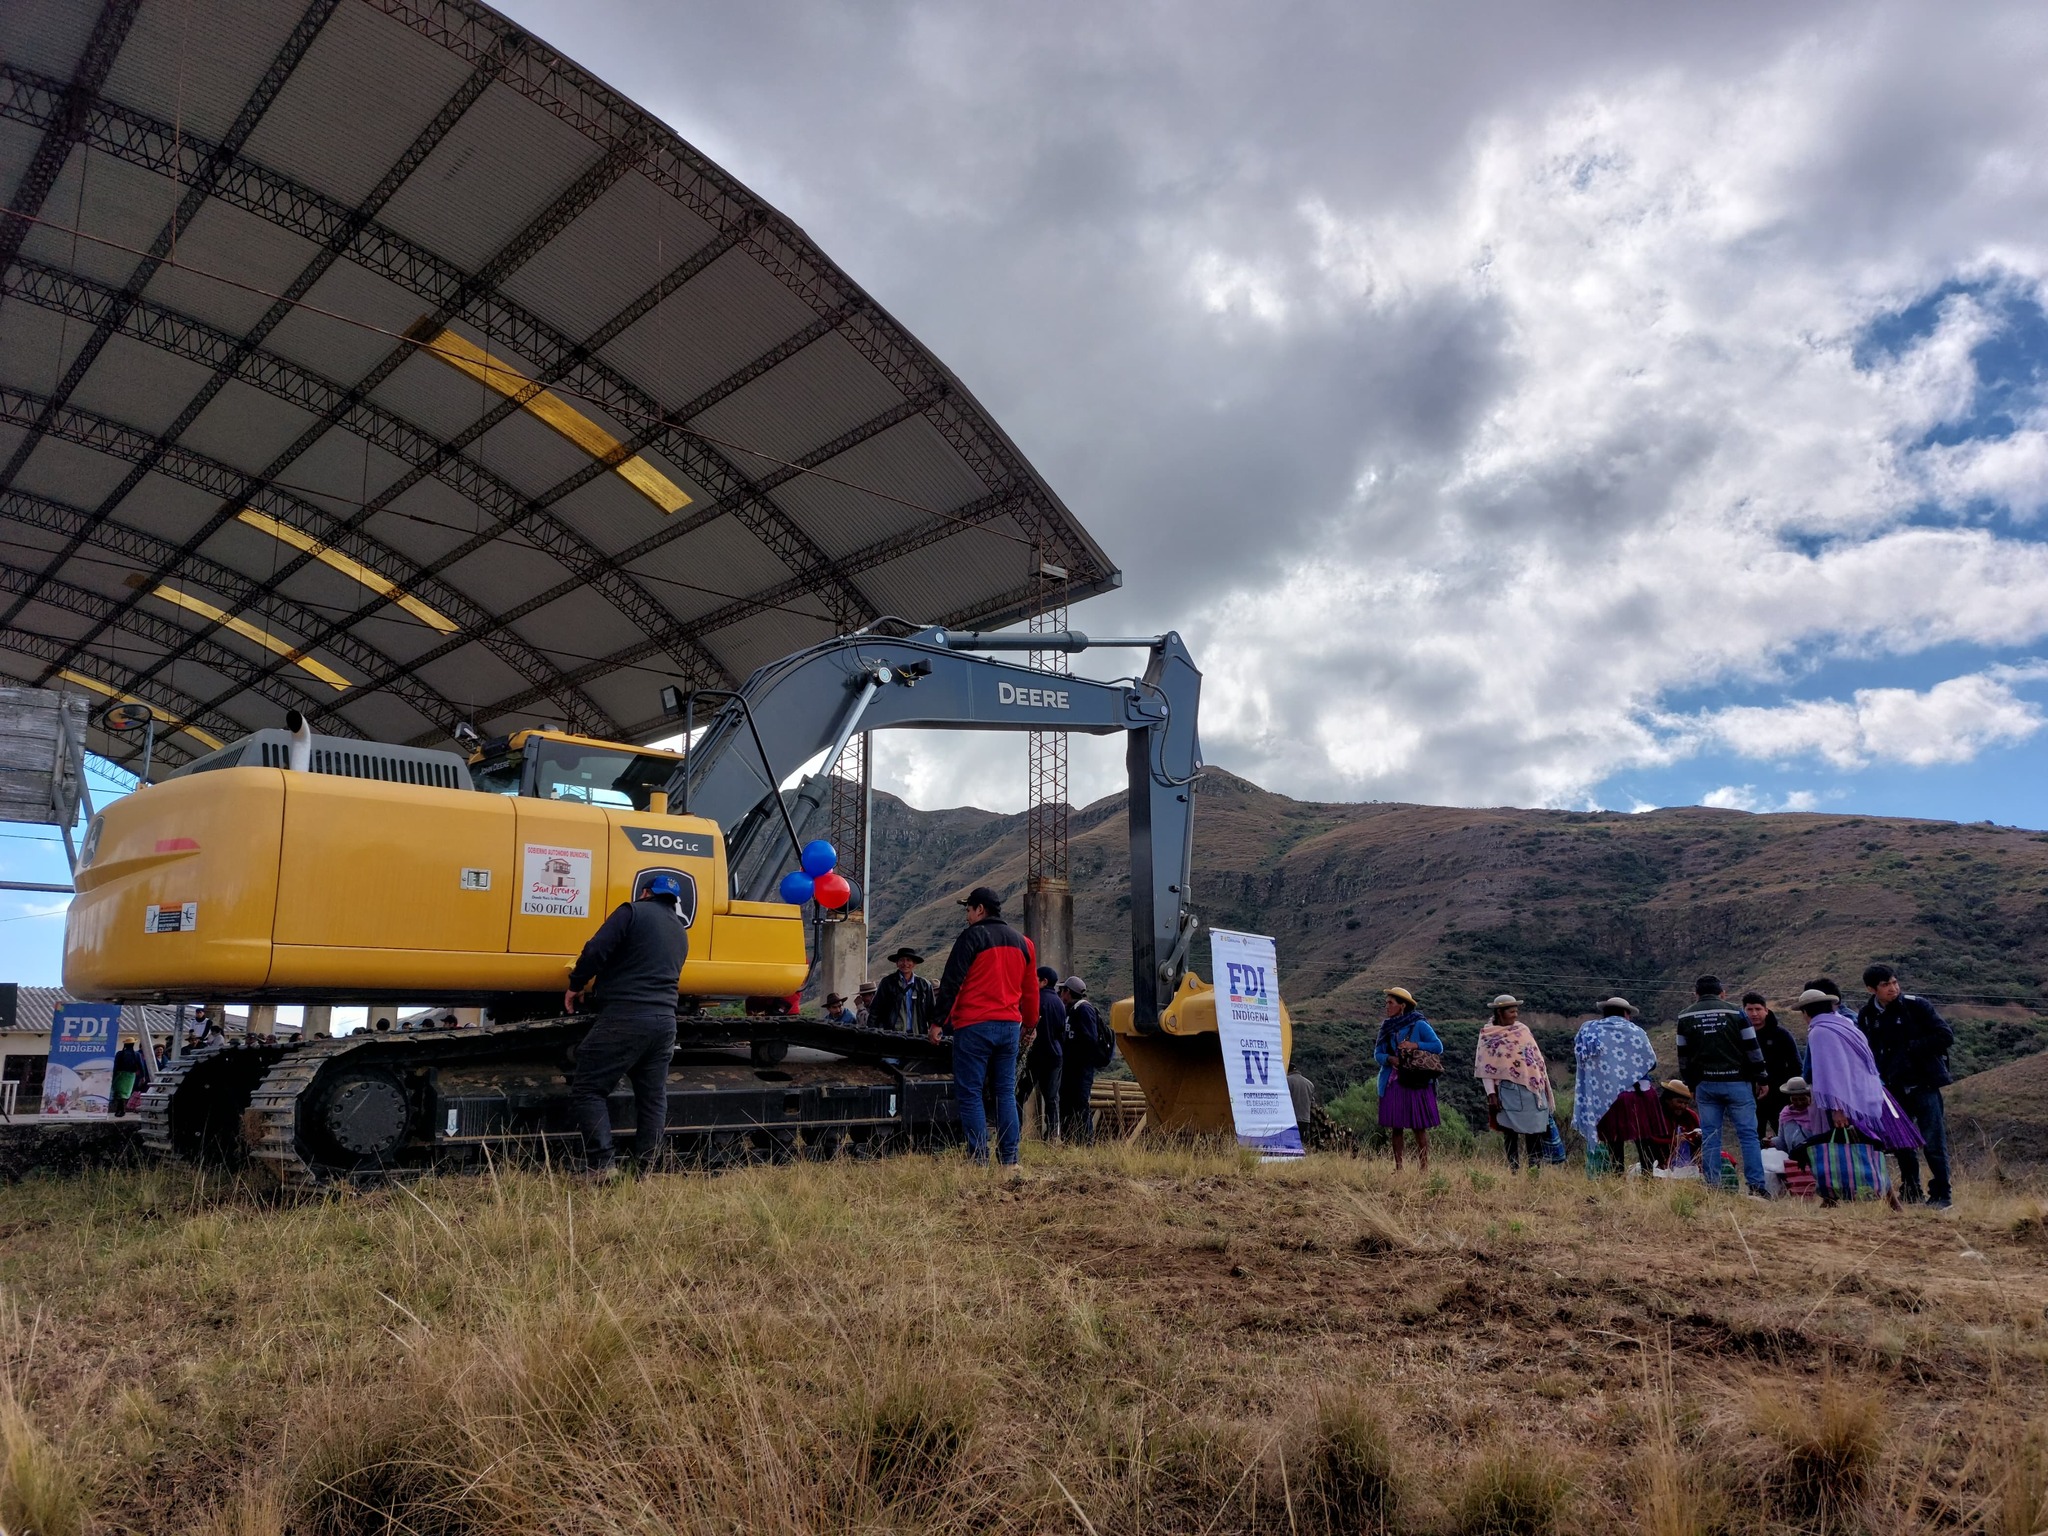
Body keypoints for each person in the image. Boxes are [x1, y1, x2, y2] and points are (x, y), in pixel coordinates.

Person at [564, 873, 688, 1176]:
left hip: (626, 1015)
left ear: (646, 893)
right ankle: (644, 1169)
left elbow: (595, 950)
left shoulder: (631, 911)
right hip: (665, 1022)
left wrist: (576, 983)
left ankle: (603, 1166)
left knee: (589, 1089)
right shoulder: (680, 931)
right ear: (673, 901)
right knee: (652, 1098)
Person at [932, 885, 1038, 1166]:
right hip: (1009, 1028)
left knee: (970, 1093)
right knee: (1005, 1092)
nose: (966, 916)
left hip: (974, 1026)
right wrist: (1029, 1023)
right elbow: (1030, 991)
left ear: (980, 909)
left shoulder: (972, 937)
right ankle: (1010, 1160)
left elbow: (952, 982)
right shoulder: (1024, 943)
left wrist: (937, 1023)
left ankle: (979, 1159)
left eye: (968, 909)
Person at [1798, 988, 1921, 1204]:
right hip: (1872, 1092)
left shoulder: (1820, 1032)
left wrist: (1837, 1108)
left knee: (1853, 1146)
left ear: (1807, 1012)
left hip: (1847, 1099)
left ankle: (1841, 1199)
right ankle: (1889, 1203)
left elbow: (1828, 1071)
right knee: (1872, 1147)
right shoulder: (1846, 1024)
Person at [1855, 964, 1955, 1209]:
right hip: (1892, 1088)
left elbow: (1945, 1036)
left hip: (1924, 1083)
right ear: (1871, 989)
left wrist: (1909, 1050)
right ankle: (1911, 1190)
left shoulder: (1916, 1006)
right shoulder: (1867, 1014)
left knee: (1933, 1141)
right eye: (1886, 985)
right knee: (1902, 1142)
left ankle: (1942, 1194)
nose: (1893, 988)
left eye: (1894, 982)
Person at [1674, 975, 1769, 1198]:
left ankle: (1713, 1187)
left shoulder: (1685, 1016)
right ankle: (1756, 1186)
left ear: (1695, 994)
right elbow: (1752, 1049)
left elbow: (1683, 1057)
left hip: (1706, 1085)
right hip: (1738, 1082)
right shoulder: (1737, 1013)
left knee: (1710, 1137)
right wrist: (1762, 1078)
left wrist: (1690, 1084)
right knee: (1748, 1135)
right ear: (1722, 993)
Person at [1572, 998, 1666, 1174]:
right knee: (1643, 1139)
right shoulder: (1636, 1032)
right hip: (1640, 1093)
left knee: (1614, 1141)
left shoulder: (1591, 1031)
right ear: (1626, 1013)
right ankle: (1647, 1177)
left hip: (1608, 1096)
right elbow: (1651, 1062)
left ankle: (1616, 1177)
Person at [1475, 995, 1553, 1173]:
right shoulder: (1488, 1035)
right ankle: (1514, 1170)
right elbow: (1485, 1067)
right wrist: (1491, 1094)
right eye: (1511, 1011)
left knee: (1534, 1130)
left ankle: (1534, 1170)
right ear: (1500, 1012)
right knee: (1510, 1131)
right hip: (1507, 1089)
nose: (1515, 1014)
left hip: (1532, 1089)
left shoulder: (1522, 1030)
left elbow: (1536, 1059)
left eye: (1516, 1010)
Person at [1372, 986, 1442, 1172]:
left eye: (1390, 1003)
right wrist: (1389, 1058)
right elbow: (1377, 1054)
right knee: (1396, 1126)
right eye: (1386, 1002)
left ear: (1402, 1006)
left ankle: (1424, 1167)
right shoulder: (1386, 1028)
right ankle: (1398, 1167)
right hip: (1393, 1082)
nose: (1387, 1006)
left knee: (1419, 1126)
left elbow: (1437, 1046)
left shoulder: (1419, 1024)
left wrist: (1414, 1045)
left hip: (1416, 1082)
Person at [1743, 992, 1805, 1136]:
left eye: (1758, 1009)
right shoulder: (1739, 1036)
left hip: (1779, 1095)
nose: (1754, 1013)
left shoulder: (1781, 1034)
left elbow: (1796, 1065)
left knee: (1785, 1135)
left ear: (1766, 1010)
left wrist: (1790, 1092)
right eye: (1750, 1010)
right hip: (1750, 1096)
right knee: (1752, 1137)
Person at [1059, 976, 1107, 1144]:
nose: (1060, 994)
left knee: (1080, 1106)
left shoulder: (1083, 1009)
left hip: (1080, 1069)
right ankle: (1068, 1140)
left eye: (1062, 991)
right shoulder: (1070, 1009)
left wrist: (1076, 1055)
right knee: (1066, 1105)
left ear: (1068, 992)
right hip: (1070, 1068)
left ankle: (1085, 1142)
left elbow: (1090, 1039)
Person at [1026, 965, 1067, 1142]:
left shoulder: (1033, 1000)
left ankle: (1014, 1135)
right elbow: (1061, 1032)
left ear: (1043, 981)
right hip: (1054, 1057)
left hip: (1033, 1056)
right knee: (1052, 1099)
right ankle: (1053, 1137)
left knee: (1018, 1095)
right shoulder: (1059, 1002)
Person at [870, 948, 938, 1036]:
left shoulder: (924, 985)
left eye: (908, 960)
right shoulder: (887, 983)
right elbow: (875, 1010)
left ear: (914, 964)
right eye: (901, 960)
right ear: (897, 963)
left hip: (917, 1034)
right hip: (892, 1035)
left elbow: (932, 1012)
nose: (905, 964)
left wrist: (934, 1031)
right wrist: (871, 1032)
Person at [110, 1038, 145, 1116]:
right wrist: (143, 1077)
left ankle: (121, 1110)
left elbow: (115, 1066)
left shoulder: (119, 1054)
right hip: (130, 1076)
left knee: (119, 1093)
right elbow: (141, 1066)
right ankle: (121, 1110)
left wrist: (113, 1075)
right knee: (125, 1093)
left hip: (120, 1074)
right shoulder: (137, 1055)